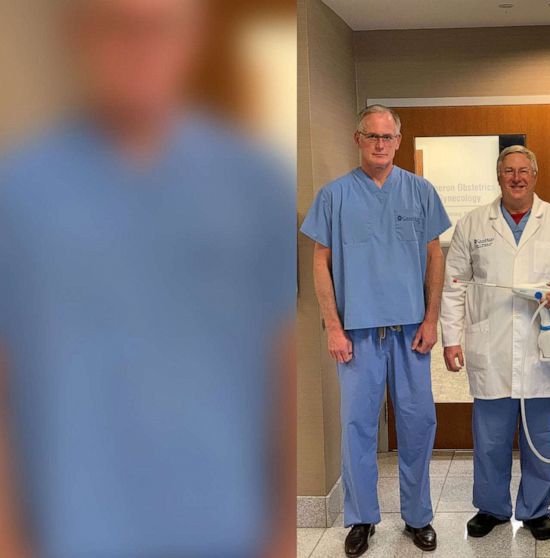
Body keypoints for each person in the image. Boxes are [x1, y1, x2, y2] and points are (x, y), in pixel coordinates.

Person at [0, 0, 294, 556]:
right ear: (79, 36)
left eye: (160, 29)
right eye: (117, 27)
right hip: (75, 528)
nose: (140, 50)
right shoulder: (19, 194)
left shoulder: (253, 184)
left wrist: (281, 535)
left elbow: (278, 365)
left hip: (223, 522)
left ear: (194, 37)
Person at [300, 104, 450, 557]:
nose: (380, 144)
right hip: (358, 333)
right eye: (372, 136)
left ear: (398, 141)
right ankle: (362, 518)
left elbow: (435, 257)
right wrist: (332, 326)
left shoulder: (420, 192)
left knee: (419, 421)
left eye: (388, 137)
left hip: (410, 331)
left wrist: (431, 318)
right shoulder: (334, 196)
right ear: (358, 139)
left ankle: (418, 515)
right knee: (358, 427)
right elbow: (321, 261)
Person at [441, 145, 550, 541]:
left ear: (535, 175)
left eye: (523, 170)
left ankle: (536, 510)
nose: (516, 177)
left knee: (539, 437)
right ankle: (491, 509)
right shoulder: (473, 224)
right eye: (508, 171)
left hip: (540, 344)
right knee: (490, 440)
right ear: (498, 177)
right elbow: (454, 285)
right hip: (489, 346)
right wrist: (451, 339)